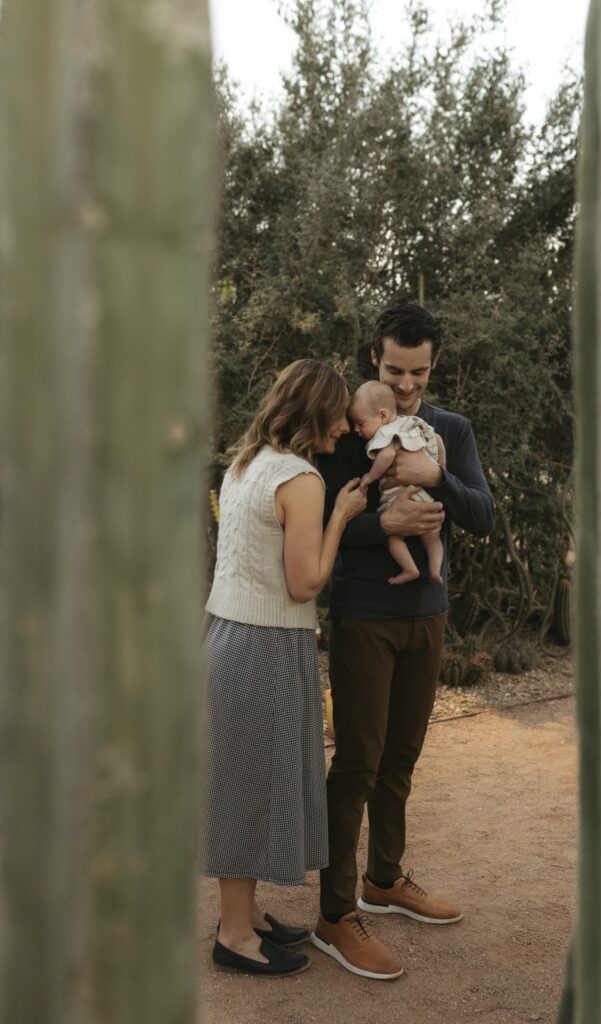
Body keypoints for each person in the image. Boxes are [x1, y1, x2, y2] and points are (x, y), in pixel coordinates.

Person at [312, 303, 495, 981]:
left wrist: (436, 479)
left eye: (418, 371)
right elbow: (325, 518)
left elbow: (481, 514)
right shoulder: (347, 431)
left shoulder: (449, 429)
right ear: (373, 359)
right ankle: (334, 913)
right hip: (362, 613)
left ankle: (383, 879)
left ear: (433, 365)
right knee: (356, 762)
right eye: (395, 369)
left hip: (429, 612)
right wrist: (382, 516)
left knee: (402, 757)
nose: (407, 382)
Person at [200, 359, 366, 978]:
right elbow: (305, 583)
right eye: (340, 414)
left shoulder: (245, 463)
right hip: (266, 647)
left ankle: (246, 916)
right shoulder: (302, 479)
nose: (347, 426)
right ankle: (235, 935)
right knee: (251, 786)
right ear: (313, 411)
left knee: (246, 779)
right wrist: (342, 520)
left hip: (229, 637)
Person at [350, 379, 446, 585]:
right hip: (425, 495)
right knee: (432, 537)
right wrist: (441, 473)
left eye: (360, 423)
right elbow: (437, 442)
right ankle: (436, 569)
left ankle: (410, 569)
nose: (357, 430)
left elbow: (387, 455)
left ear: (382, 415)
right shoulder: (411, 423)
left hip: (398, 497)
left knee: (393, 538)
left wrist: (371, 476)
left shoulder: (385, 432)